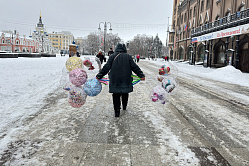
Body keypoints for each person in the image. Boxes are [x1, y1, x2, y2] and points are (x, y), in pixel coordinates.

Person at [96, 43, 145, 117]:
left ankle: (117, 112)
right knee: (125, 92)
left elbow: (106, 67)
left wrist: (99, 76)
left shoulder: (112, 56)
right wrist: (141, 75)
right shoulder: (128, 56)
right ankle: (124, 106)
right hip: (126, 79)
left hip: (115, 79)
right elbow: (135, 67)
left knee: (116, 94)